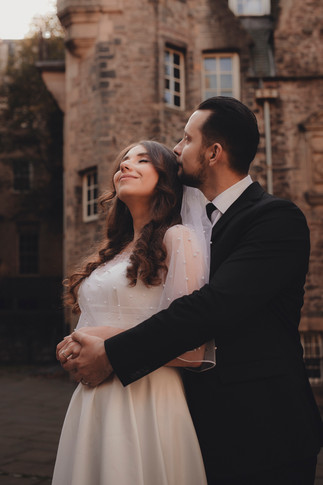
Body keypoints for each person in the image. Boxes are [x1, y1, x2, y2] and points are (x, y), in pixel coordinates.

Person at [59, 97, 323, 484]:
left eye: (186, 139)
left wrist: (111, 350)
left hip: (263, 428)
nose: (178, 149)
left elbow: (213, 307)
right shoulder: (180, 227)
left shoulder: (274, 219)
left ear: (214, 152)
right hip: (193, 422)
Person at [53, 140, 213, 485]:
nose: (125, 166)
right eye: (123, 161)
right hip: (94, 398)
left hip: (147, 396)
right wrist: (73, 347)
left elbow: (193, 350)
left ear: (166, 178)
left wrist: (103, 339)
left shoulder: (178, 238)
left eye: (142, 160)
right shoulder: (114, 250)